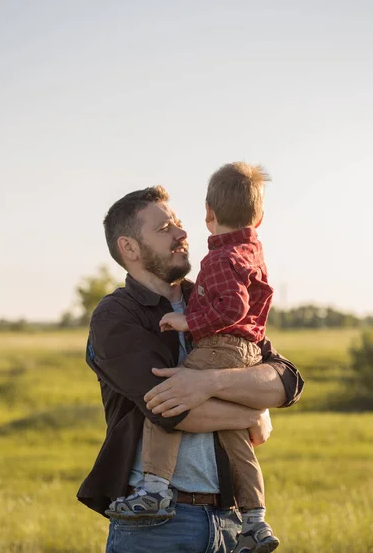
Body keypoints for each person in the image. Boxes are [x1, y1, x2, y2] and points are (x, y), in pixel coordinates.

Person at [77, 184, 304, 553]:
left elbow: (285, 381)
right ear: (129, 248)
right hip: (156, 526)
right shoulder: (115, 316)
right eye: (164, 228)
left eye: (179, 224)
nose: (183, 233)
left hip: (232, 523)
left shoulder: (218, 300)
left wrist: (209, 382)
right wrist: (250, 413)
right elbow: (170, 411)